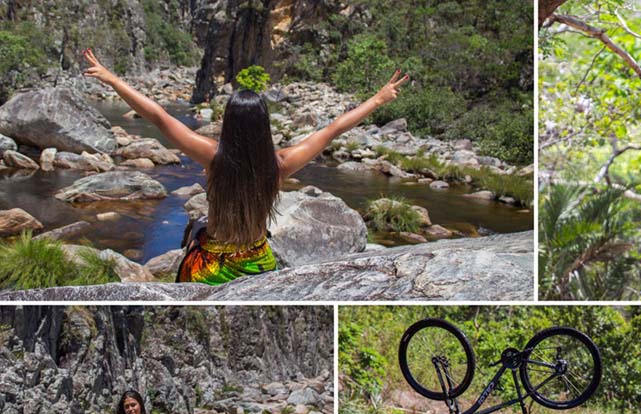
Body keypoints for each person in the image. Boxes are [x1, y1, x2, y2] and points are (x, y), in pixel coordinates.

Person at [79, 48, 410, 284]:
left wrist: (113, 80)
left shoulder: (213, 156)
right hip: (257, 262)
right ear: (264, 125)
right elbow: (333, 129)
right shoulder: (280, 164)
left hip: (209, 268)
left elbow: (160, 117)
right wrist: (377, 100)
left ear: (229, 123)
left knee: (194, 238)